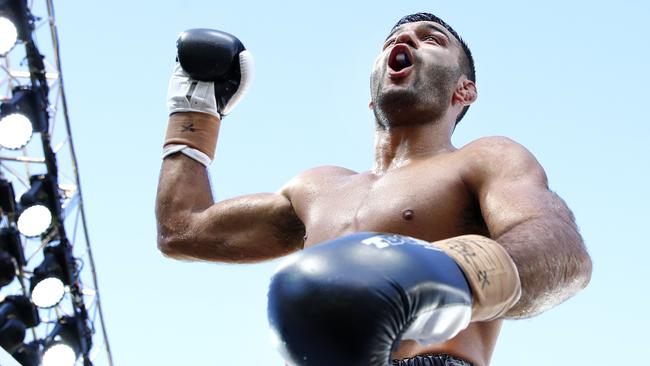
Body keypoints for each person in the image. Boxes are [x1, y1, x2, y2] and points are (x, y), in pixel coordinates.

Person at [156, 13, 592, 366]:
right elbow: (183, 229)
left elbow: (562, 252)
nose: (407, 40)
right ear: (371, 96)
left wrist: (442, 276)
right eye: (394, 39)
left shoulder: (485, 158)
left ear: (465, 90)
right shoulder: (317, 187)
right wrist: (193, 110)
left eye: (432, 39)